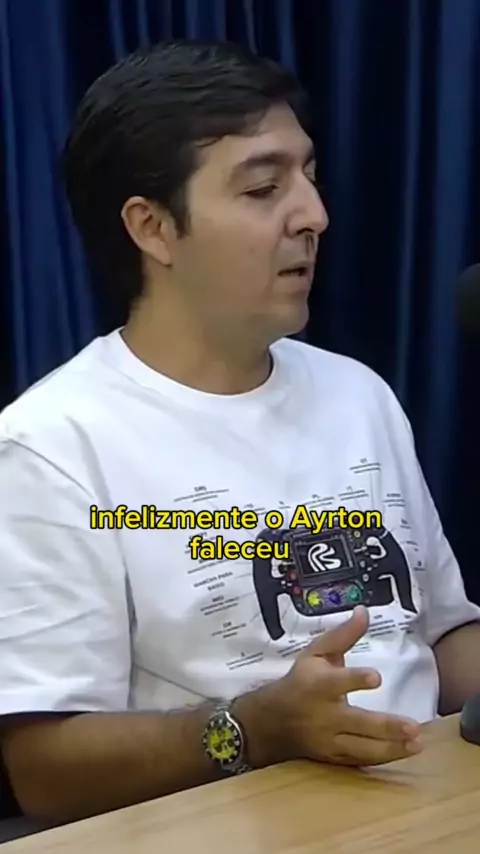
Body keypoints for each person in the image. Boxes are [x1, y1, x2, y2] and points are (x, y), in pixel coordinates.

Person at [1, 38, 479, 825]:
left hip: (431, 812)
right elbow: (45, 770)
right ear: (154, 228)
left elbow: (442, 633)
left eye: (310, 177)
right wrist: (253, 729)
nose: (315, 215)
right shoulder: (53, 445)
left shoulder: (357, 393)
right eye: (264, 188)